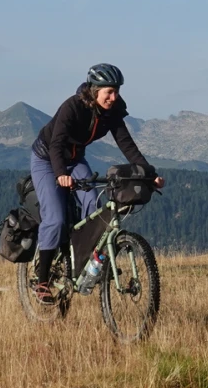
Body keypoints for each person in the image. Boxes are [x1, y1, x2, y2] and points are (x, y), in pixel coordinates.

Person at [28, 63, 164, 302]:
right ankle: (41, 281)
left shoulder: (113, 111)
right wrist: (60, 174)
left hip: (76, 159)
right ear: (94, 90)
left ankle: (86, 263)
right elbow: (56, 144)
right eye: (108, 92)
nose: (113, 97)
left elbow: (127, 145)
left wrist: (148, 174)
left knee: (94, 206)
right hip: (47, 159)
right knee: (56, 218)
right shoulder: (72, 107)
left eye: (116, 92)